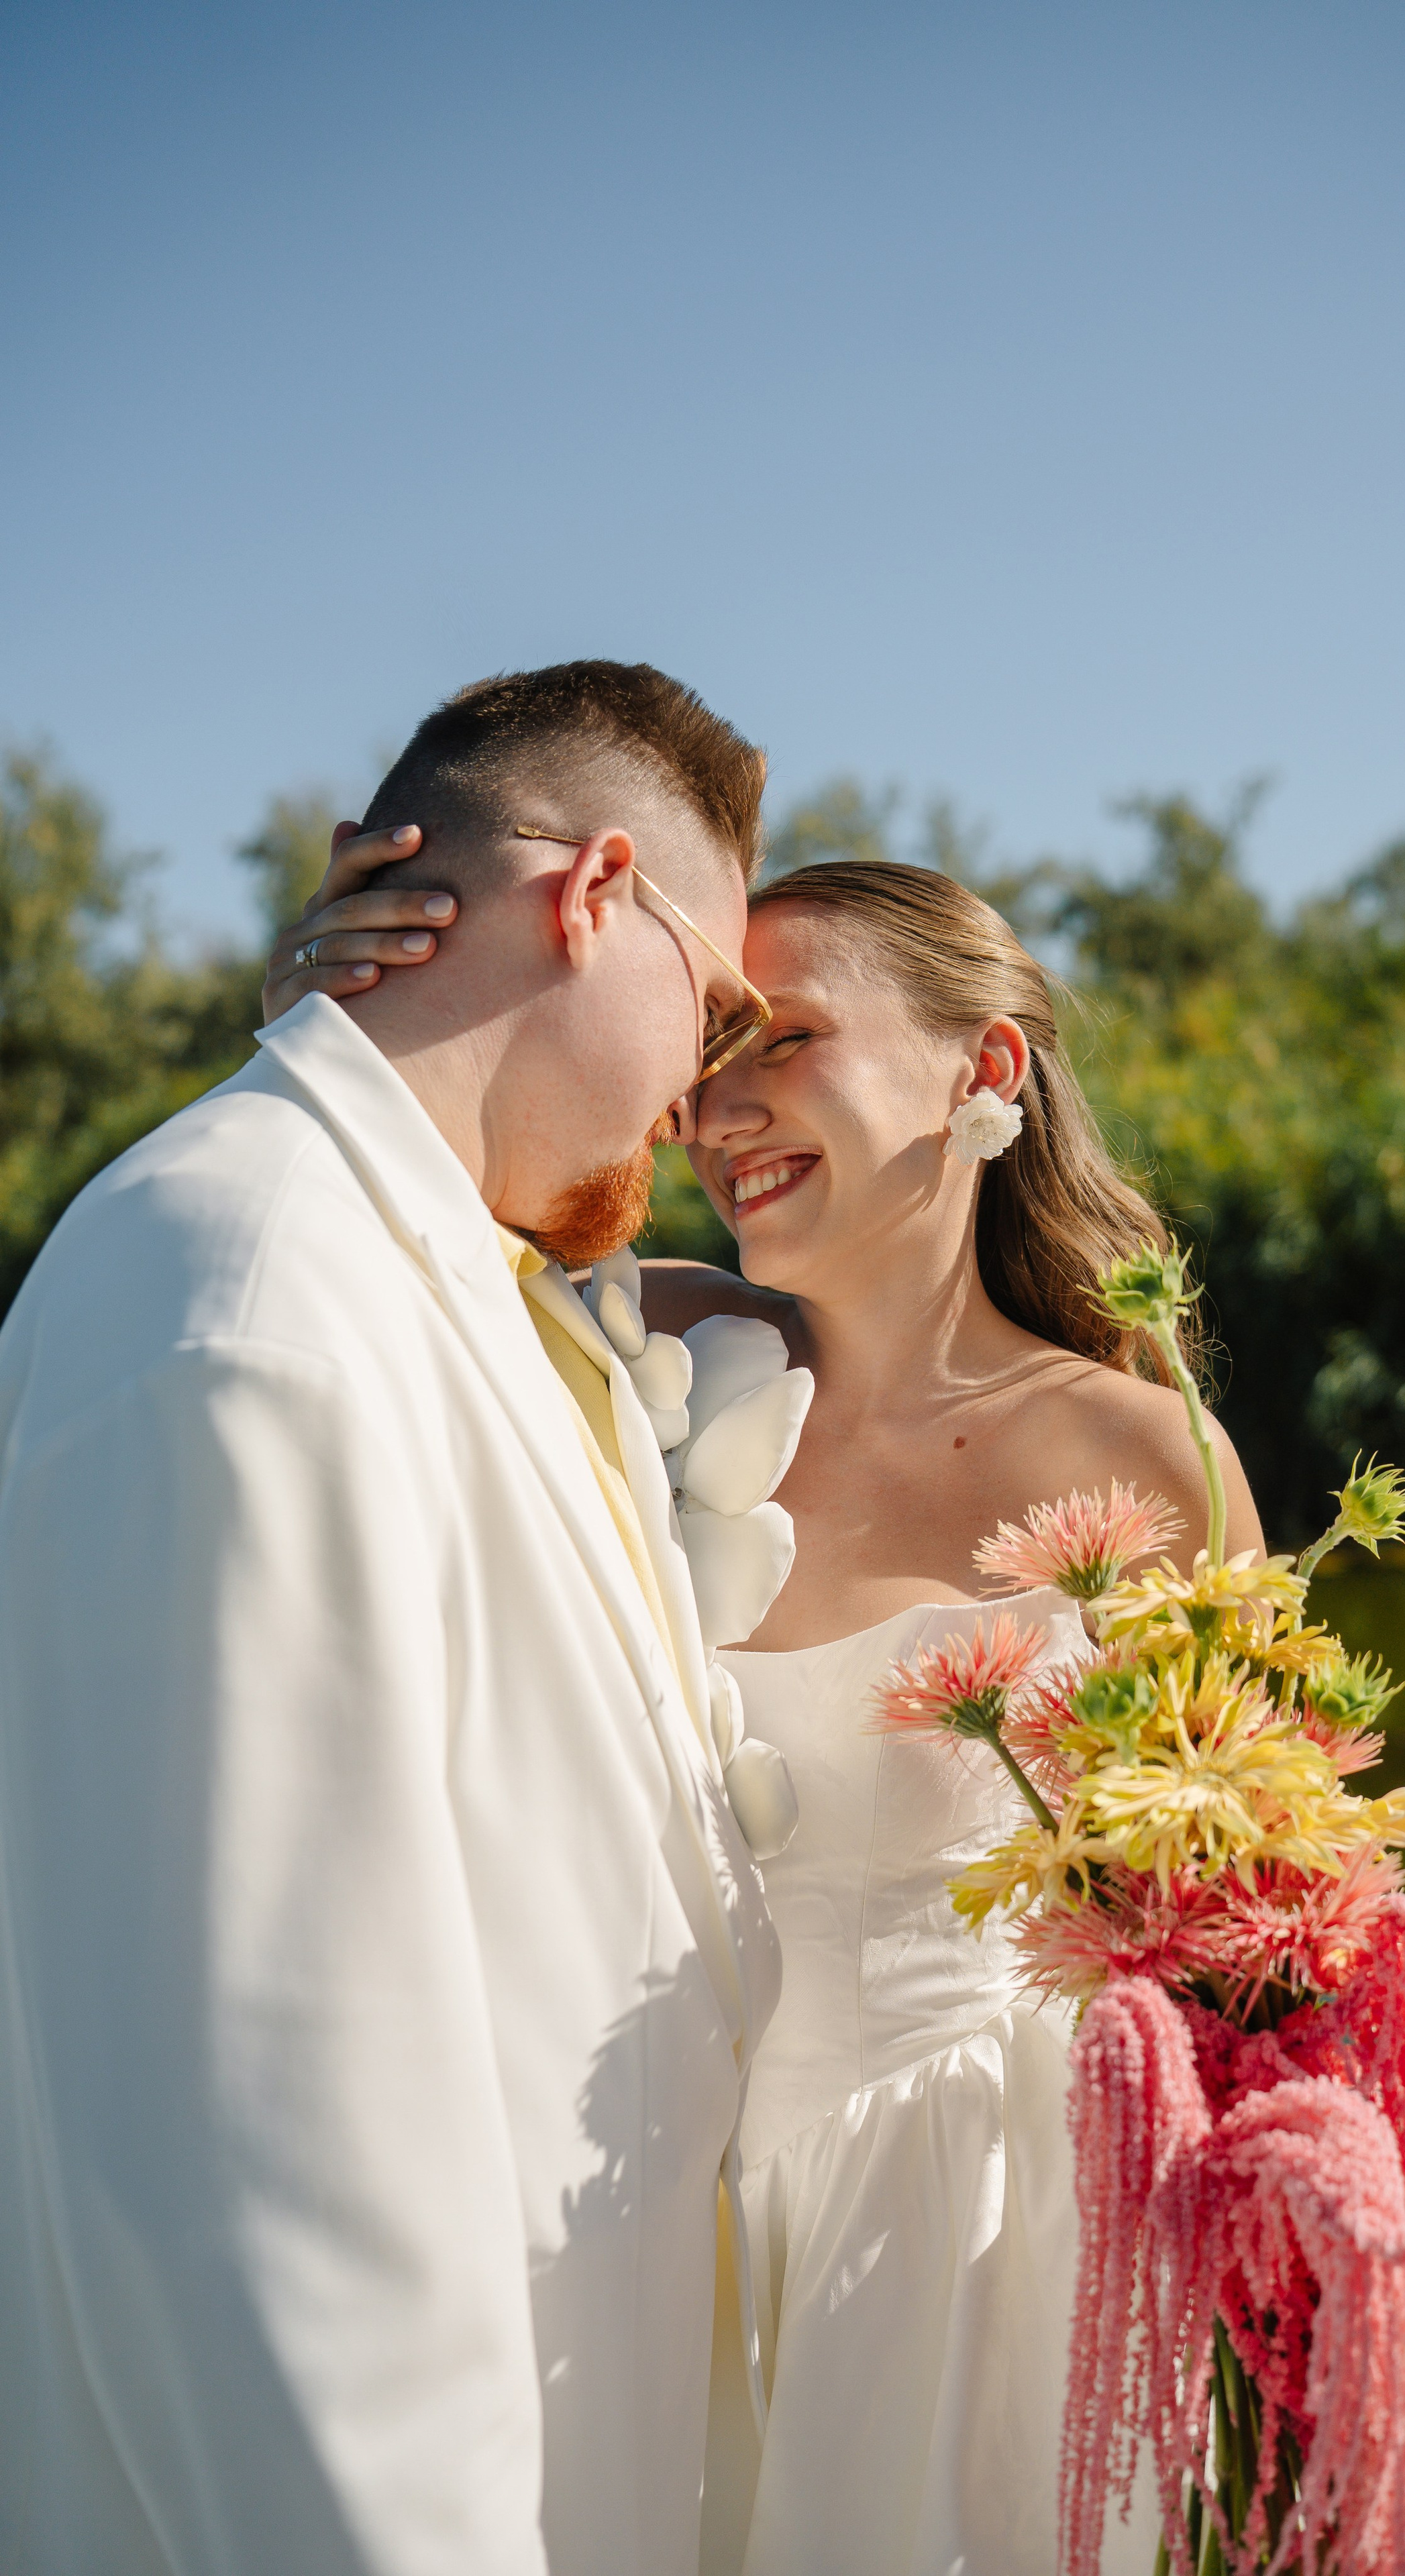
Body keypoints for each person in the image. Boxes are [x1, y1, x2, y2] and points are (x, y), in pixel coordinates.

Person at [267, 856, 1405, 2575]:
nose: (717, 1108)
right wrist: (341, 1023)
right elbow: (367, 1261)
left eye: (780, 1041)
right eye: (704, 1059)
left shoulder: (1142, 1457)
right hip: (644, 2195)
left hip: (1006, 2217)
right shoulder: (646, 1345)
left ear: (984, 1074)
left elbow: (1265, 1922)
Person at [0, 660, 784, 2576]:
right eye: (727, 996)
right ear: (597, 897)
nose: (715, 1083)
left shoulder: (445, 1275)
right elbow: (265, 2187)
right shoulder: (246, 1304)